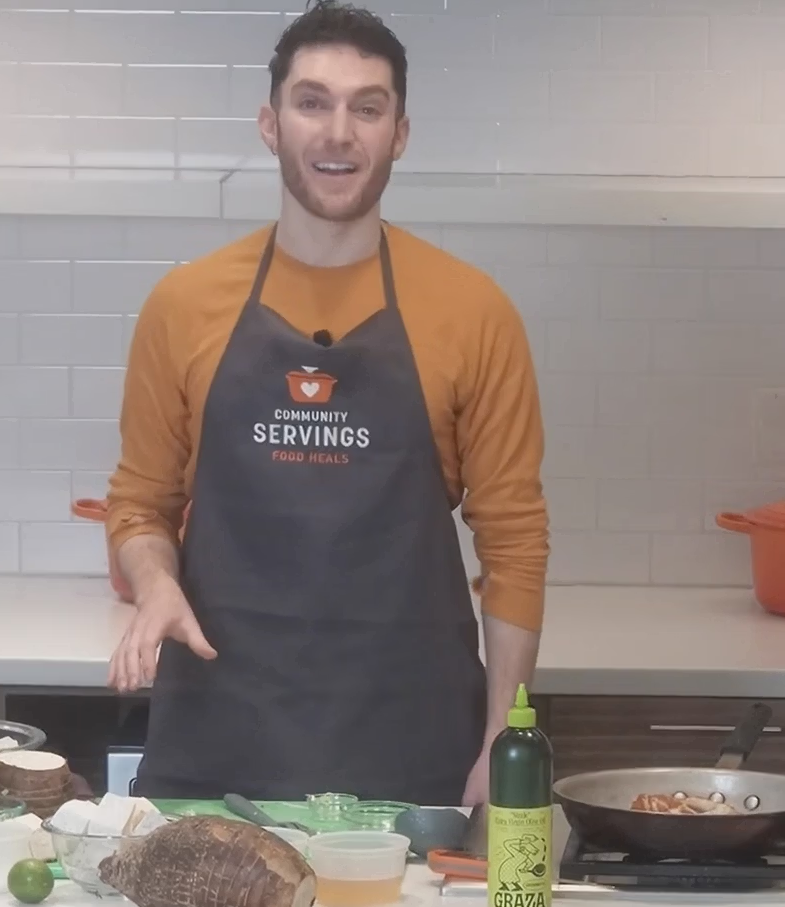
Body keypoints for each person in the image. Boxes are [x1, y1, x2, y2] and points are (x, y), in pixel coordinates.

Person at [104, 0, 549, 808]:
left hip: (414, 754)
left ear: (399, 134)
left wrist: (498, 741)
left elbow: (514, 540)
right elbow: (139, 505)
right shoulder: (183, 304)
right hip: (217, 744)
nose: (338, 131)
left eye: (366, 107)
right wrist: (153, 581)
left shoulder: (473, 312)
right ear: (271, 124)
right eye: (312, 102)